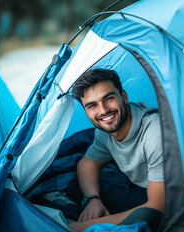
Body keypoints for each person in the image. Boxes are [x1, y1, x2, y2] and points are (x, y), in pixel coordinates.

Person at [69, 68, 165, 232]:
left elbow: (156, 208)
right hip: (141, 189)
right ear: (86, 112)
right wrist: (93, 199)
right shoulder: (104, 131)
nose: (104, 110)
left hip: (177, 202)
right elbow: (87, 163)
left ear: (124, 97)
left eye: (109, 98)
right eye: (92, 105)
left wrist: (74, 228)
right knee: (75, 181)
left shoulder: (156, 134)